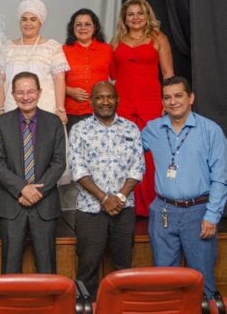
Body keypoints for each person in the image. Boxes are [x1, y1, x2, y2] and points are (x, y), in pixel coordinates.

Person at [142, 76, 227, 299]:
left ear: (191, 98)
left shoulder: (211, 130)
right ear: (162, 102)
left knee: (202, 281)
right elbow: (126, 155)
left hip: (199, 213)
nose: (173, 101)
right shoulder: (152, 129)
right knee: (164, 280)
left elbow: (221, 177)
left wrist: (212, 215)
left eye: (178, 95)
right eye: (167, 97)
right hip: (163, 212)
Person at [69, 81, 144, 300]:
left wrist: (119, 197)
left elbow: (137, 167)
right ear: (91, 101)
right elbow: (78, 168)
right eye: (99, 97)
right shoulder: (79, 129)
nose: (105, 101)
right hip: (90, 211)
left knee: (123, 268)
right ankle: (85, 307)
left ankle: (123, 307)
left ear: (117, 100)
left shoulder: (130, 128)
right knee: (88, 268)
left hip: (124, 208)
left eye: (110, 97)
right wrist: (104, 198)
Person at [0, 71, 66, 274]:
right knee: (10, 267)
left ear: (39, 93)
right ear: (13, 95)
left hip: (45, 204)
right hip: (11, 205)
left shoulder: (53, 122)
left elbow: (59, 163)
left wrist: (35, 191)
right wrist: (22, 188)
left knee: (47, 266)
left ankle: (49, 306)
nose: (26, 97)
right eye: (20, 92)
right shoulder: (1, 123)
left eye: (30, 91)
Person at [112, 0, 174, 216]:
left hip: (150, 101)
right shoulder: (117, 40)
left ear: (147, 16)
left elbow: (168, 74)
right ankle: (128, 203)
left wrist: (167, 101)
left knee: (150, 153)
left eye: (140, 13)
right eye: (131, 14)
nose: (136, 18)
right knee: (125, 152)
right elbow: (111, 74)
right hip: (123, 102)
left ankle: (150, 204)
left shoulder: (158, 38)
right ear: (125, 19)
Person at [0, 0, 70, 124]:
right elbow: (2, 80)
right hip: (12, 108)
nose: (28, 23)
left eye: (33, 19)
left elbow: (59, 79)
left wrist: (60, 109)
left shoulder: (52, 47)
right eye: (24, 19)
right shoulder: (8, 47)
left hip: (45, 108)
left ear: (40, 22)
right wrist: (1, 108)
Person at [63, 9, 113, 132]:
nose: (83, 28)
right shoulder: (63, 50)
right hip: (72, 111)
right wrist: (69, 91)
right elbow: (53, 81)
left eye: (87, 24)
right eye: (78, 24)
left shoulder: (107, 50)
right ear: (72, 28)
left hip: (101, 109)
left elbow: (116, 77)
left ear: (95, 27)